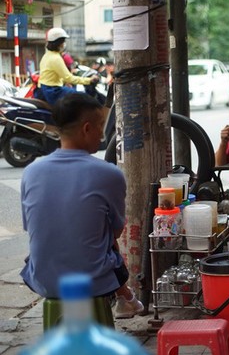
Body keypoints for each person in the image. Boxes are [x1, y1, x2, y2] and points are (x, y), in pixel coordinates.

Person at [20, 93, 145, 319]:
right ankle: (125, 297)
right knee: (107, 239)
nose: (103, 133)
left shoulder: (31, 172)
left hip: (44, 281)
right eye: (100, 125)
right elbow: (116, 231)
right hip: (93, 282)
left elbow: (31, 227)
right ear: (87, 129)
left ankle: (124, 299)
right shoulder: (109, 173)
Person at [35, 28, 99, 105]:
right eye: (63, 41)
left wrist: (65, 81)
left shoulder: (47, 55)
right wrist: (89, 80)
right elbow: (69, 78)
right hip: (53, 91)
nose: (64, 44)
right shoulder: (56, 58)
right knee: (81, 98)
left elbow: (53, 75)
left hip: (45, 89)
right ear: (58, 43)